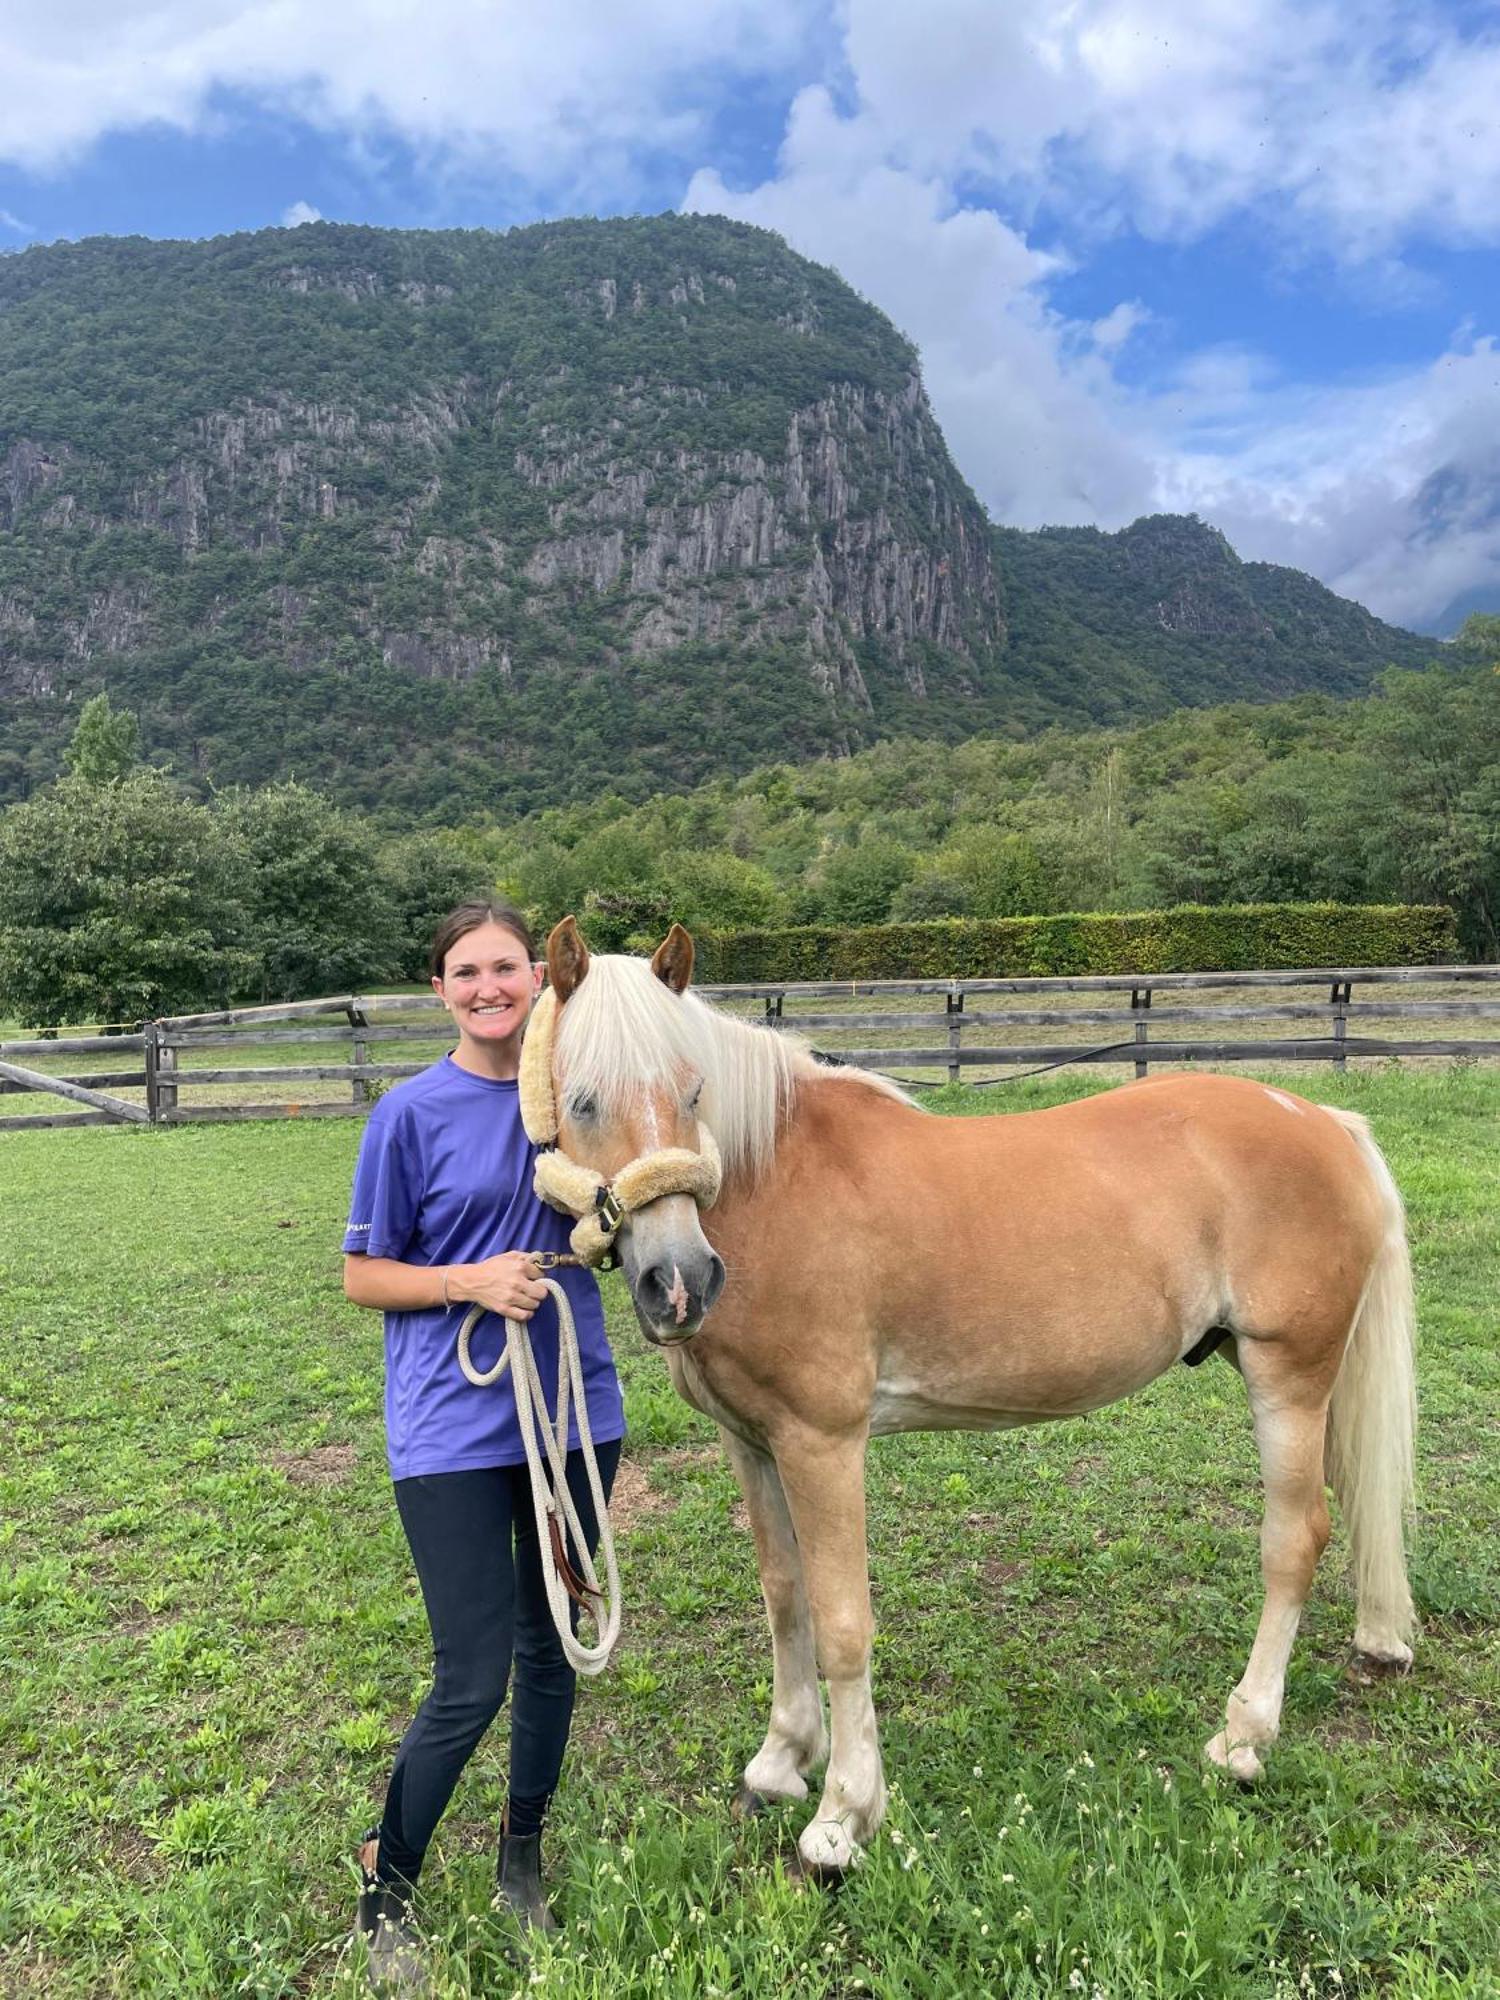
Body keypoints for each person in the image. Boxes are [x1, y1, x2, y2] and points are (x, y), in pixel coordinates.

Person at [342, 900, 625, 1985]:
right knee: (472, 1670)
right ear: (441, 988)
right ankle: (389, 1880)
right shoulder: (408, 1113)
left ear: (540, 977)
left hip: (571, 1408)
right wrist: (468, 1278)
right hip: (452, 1421)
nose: (489, 984)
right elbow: (364, 1273)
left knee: (554, 1644)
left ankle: (522, 1860)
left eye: (506, 965)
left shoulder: (581, 1101)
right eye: (467, 970)